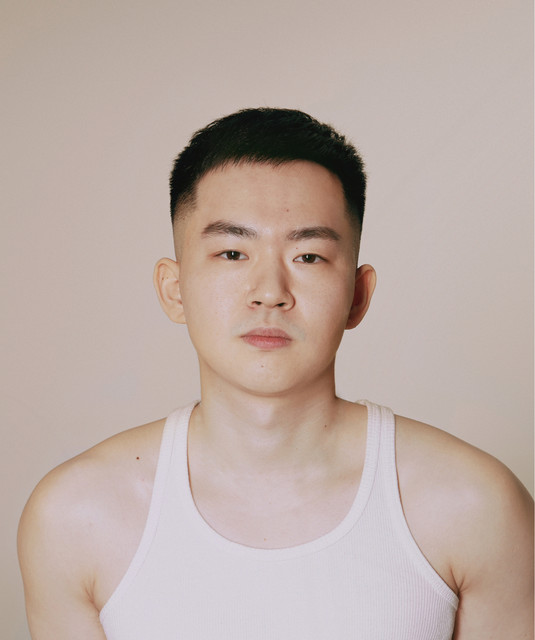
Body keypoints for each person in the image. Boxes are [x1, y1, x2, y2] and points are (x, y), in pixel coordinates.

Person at [18, 108, 533, 640]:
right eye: (232, 252)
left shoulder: (473, 506)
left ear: (357, 296)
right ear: (174, 290)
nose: (270, 291)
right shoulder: (76, 517)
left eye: (308, 256)